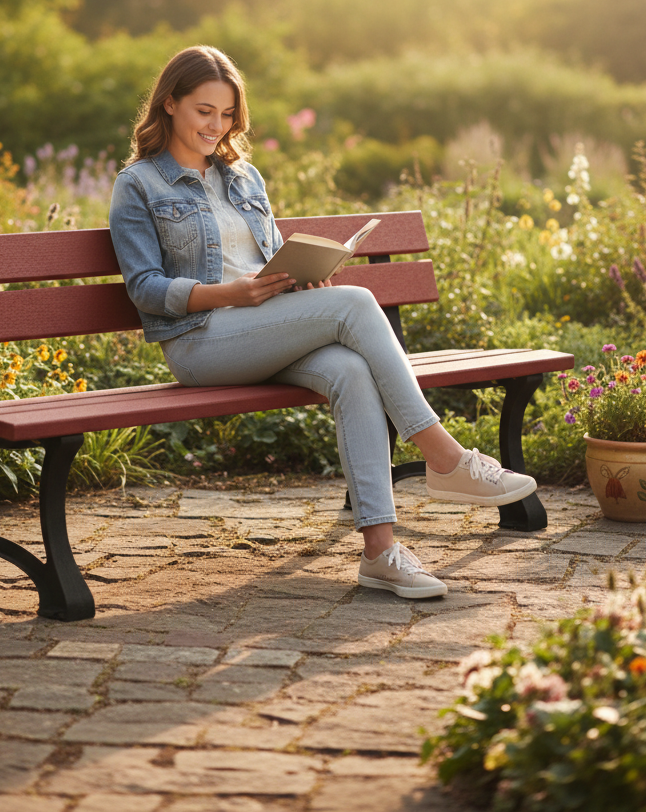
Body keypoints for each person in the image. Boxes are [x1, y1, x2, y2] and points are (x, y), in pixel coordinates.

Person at [108, 46, 537, 599]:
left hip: (264, 329)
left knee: (350, 371)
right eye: (204, 111)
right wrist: (231, 293)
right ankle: (445, 457)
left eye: (228, 114)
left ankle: (381, 553)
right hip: (202, 341)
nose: (218, 126)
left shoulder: (243, 177)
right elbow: (144, 288)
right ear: (169, 104)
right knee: (357, 304)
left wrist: (304, 276)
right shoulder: (139, 185)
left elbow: (266, 254)